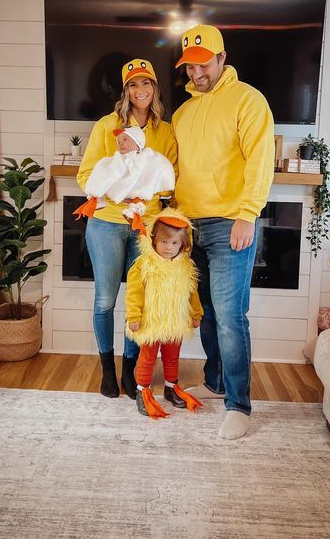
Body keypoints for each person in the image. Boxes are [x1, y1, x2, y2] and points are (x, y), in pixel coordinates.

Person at [172, 24, 274, 440]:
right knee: (209, 315)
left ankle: (239, 406)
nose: (196, 74)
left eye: (203, 64)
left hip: (231, 223)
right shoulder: (181, 113)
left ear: (221, 59)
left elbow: (259, 160)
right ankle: (215, 381)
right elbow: (176, 170)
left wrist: (248, 214)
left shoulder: (247, 100)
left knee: (231, 316)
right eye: (189, 67)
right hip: (188, 227)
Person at [77, 59, 177, 400]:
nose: (141, 91)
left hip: (144, 225)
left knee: (142, 300)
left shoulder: (165, 131)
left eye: (146, 83)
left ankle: (128, 369)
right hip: (105, 224)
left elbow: (170, 177)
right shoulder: (107, 126)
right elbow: (85, 175)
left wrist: (150, 192)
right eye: (134, 85)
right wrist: (116, 189)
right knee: (105, 299)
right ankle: (107, 368)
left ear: (155, 88)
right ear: (125, 91)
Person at [125, 208, 203, 419]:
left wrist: (196, 314)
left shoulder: (186, 266)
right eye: (164, 242)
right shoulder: (143, 265)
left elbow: (192, 292)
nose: (169, 248)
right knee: (148, 357)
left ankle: (171, 388)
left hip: (175, 321)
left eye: (175, 243)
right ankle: (142, 390)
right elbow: (134, 292)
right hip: (151, 321)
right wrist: (134, 315)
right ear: (153, 241)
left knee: (171, 356)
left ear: (184, 245)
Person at [73, 125, 175, 234]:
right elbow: (90, 172)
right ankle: (98, 199)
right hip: (107, 216)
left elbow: (161, 168)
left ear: (138, 142)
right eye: (118, 142)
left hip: (142, 198)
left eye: (125, 139)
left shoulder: (148, 157)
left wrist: (153, 184)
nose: (120, 143)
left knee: (143, 192)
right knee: (103, 169)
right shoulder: (116, 155)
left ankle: (133, 212)